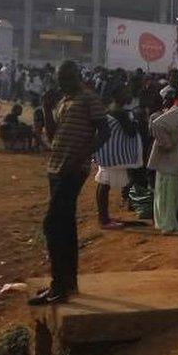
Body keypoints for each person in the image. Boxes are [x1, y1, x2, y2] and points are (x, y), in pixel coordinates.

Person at [29, 61, 110, 306]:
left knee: (52, 223)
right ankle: (68, 282)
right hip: (55, 166)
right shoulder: (62, 102)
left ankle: (58, 285)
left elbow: (104, 131)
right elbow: (53, 135)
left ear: (77, 76)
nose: (65, 82)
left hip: (73, 168)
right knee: (65, 223)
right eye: (61, 79)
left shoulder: (89, 98)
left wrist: (84, 155)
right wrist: (45, 107)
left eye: (69, 77)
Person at [148, 86, 178, 236]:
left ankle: (167, 223)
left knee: (170, 194)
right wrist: (167, 143)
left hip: (175, 160)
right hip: (170, 160)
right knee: (169, 195)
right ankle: (168, 225)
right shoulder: (176, 112)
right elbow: (156, 124)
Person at [94, 86, 143, 230]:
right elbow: (131, 132)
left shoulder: (111, 108)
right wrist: (137, 121)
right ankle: (104, 220)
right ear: (118, 95)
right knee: (104, 185)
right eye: (125, 93)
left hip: (107, 152)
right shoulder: (120, 112)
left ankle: (103, 217)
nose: (129, 95)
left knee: (103, 184)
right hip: (113, 155)